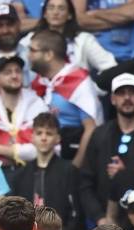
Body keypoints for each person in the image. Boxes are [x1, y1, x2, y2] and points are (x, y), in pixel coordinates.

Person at [77, 73, 134, 227]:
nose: (127, 98)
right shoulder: (99, 134)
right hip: (100, 223)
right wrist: (100, 217)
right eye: (121, 93)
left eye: (132, 92)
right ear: (112, 99)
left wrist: (126, 175)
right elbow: (85, 182)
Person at [7, 113, 83, 230]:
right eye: (39, 133)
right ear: (32, 137)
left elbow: (77, 214)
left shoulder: (69, 171)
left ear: (58, 138)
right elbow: (13, 214)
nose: (43, 138)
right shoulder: (20, 175)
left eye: (49, 133)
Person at [29, 29, 103, 162]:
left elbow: (91, 128)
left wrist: (75, 167)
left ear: (48, 55)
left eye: (33, 51)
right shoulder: (42, 82)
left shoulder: (78, 82)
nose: (28, 56)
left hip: (72, 160)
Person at [0, 55, 49, 170]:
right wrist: (21, 147)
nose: (14, 76)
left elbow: (41, 147)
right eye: (7, 72)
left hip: (34, 171)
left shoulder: (37, 104)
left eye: (18, 71)